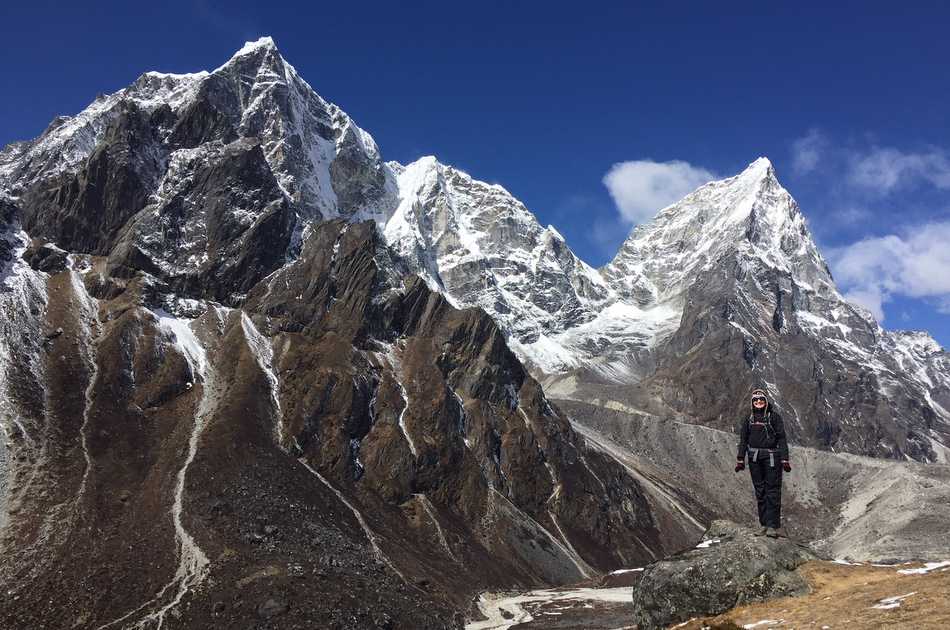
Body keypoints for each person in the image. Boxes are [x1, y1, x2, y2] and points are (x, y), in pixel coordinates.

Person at [734, 388, 790, 537]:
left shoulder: (774, 418)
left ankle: (772, 526)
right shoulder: (748, 419)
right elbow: (744, 439)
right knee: (760, 491)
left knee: (772, 490)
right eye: (756, 400)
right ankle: (763, 524)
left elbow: (782, 439)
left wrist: (785, 459)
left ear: (766, 401)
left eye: (761, 399)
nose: (759, 402)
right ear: (752, 402)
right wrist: (740, 458)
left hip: (772, 457)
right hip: (754, 458)